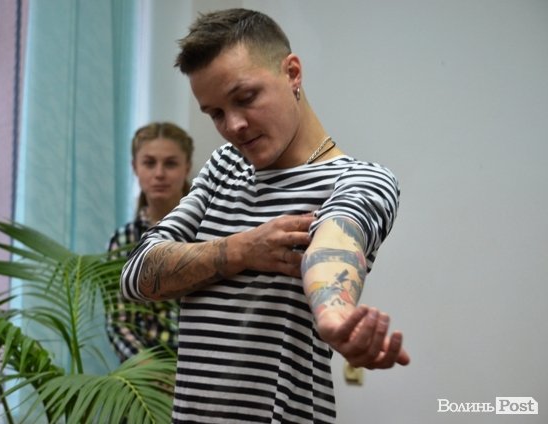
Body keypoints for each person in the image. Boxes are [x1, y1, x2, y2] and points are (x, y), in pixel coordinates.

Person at [121, 8, 410, 423]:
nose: (234, 126)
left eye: (245, 98)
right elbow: (136, 274)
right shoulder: (224, 166)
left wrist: (334, 314)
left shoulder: (359, 180)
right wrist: (241, 250)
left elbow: (333, 245)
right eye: (216, 113)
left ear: (292, 73)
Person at [107, 121, 194, 362]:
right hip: (144, 374)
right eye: (149, 163)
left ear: (187, 167)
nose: (159, 174)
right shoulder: (123, 240)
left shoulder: (209, 232)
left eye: (170, 163)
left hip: (201, 366)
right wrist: (150, 371)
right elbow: (119, 323)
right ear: (135, 167)